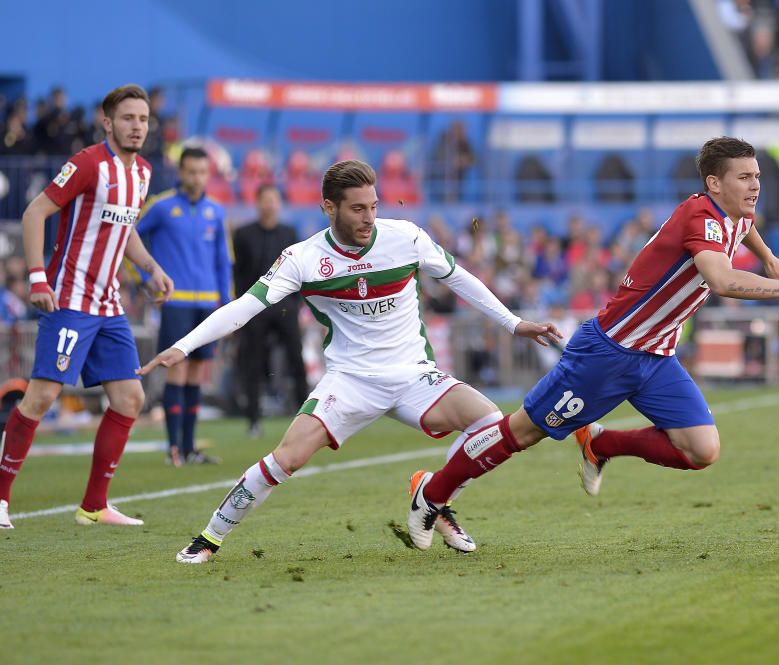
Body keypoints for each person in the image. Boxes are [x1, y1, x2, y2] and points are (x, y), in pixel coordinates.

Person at [406, 137, 779, 550]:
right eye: (744, 177)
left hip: (656, 356)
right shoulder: (700, 218)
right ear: (714, 183)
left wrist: (768, 256)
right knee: (523, 432)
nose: (755, 186)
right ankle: (432, 492)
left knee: (701, 450)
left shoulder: (734, 214)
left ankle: (601, 445)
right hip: (609, 352)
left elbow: (745, 227)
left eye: (757, 176)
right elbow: (722, 280)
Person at [138, 160, 560, 563]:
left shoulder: (406, 238)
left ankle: (434, 497)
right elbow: (245, 306)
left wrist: (513, 322)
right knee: (287, 457)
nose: (369, 217)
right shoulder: (303, 258)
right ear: (329, 207)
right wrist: (185, 345)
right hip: (351, 381)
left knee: (492, 425)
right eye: (357, 208)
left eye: (374, 206)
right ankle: (209, 537)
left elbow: (457, 277)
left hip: (414, 375)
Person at [0, 84, 173, 529]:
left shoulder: (144, 173)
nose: (137, 126)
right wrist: (37, 277)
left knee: (130, 397)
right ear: (107, 122)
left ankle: (94, 506)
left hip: (108, 304)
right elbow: (34, 213)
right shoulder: (86, 163)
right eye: (128, 118)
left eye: (143, 119)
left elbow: (125, 229)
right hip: (70, 299)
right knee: (40, 397)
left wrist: (150, 267)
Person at [138, 146, 230, 465]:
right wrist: (144, 277)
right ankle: (172, 449)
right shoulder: (161, 207)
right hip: (176, 302)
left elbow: (223, 261)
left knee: (196, 376)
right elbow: (128, 239)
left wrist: (227, 306)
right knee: (176, 373)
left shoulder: (216, 211)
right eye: (191, 171)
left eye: (202, 172)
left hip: (208, 305)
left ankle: (190, 449)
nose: (197, 178)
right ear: (180, 172)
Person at [231, 184, 307, 437]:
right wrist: (242, 307)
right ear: (257, 203)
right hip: (255, 308)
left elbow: (299, 272)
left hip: (285, 307)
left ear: (279, 203)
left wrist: (296, 304)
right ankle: (253, 420)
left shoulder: (289, 233)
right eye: (265, 200)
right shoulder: (243, 234)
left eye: (274, 200)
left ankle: (306, 418)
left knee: (297, 359)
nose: (270, 204)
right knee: (252, 362)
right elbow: (239, 273)